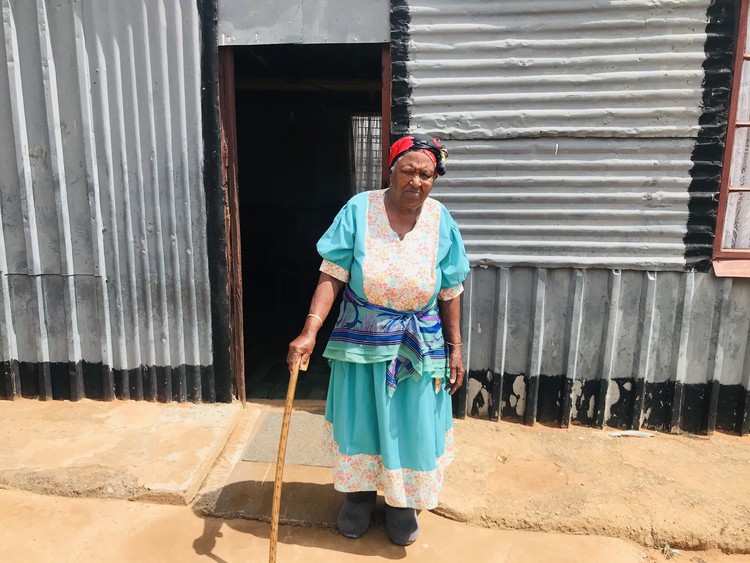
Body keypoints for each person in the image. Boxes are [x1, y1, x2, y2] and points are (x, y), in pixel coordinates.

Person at [287, 134, 469, 546]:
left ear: (434, 178)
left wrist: (456, 349)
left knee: (413, 426)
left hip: (420, 345)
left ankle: (403, 503)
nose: (416, 181)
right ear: (390, 170)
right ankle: (358, 497)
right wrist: (310, 330)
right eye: (408, 171)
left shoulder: (442, 220)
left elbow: (451, 289)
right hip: (361, 341)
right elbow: (333, 273)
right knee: (362, 421)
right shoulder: (358, 209)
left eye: (426, 174)